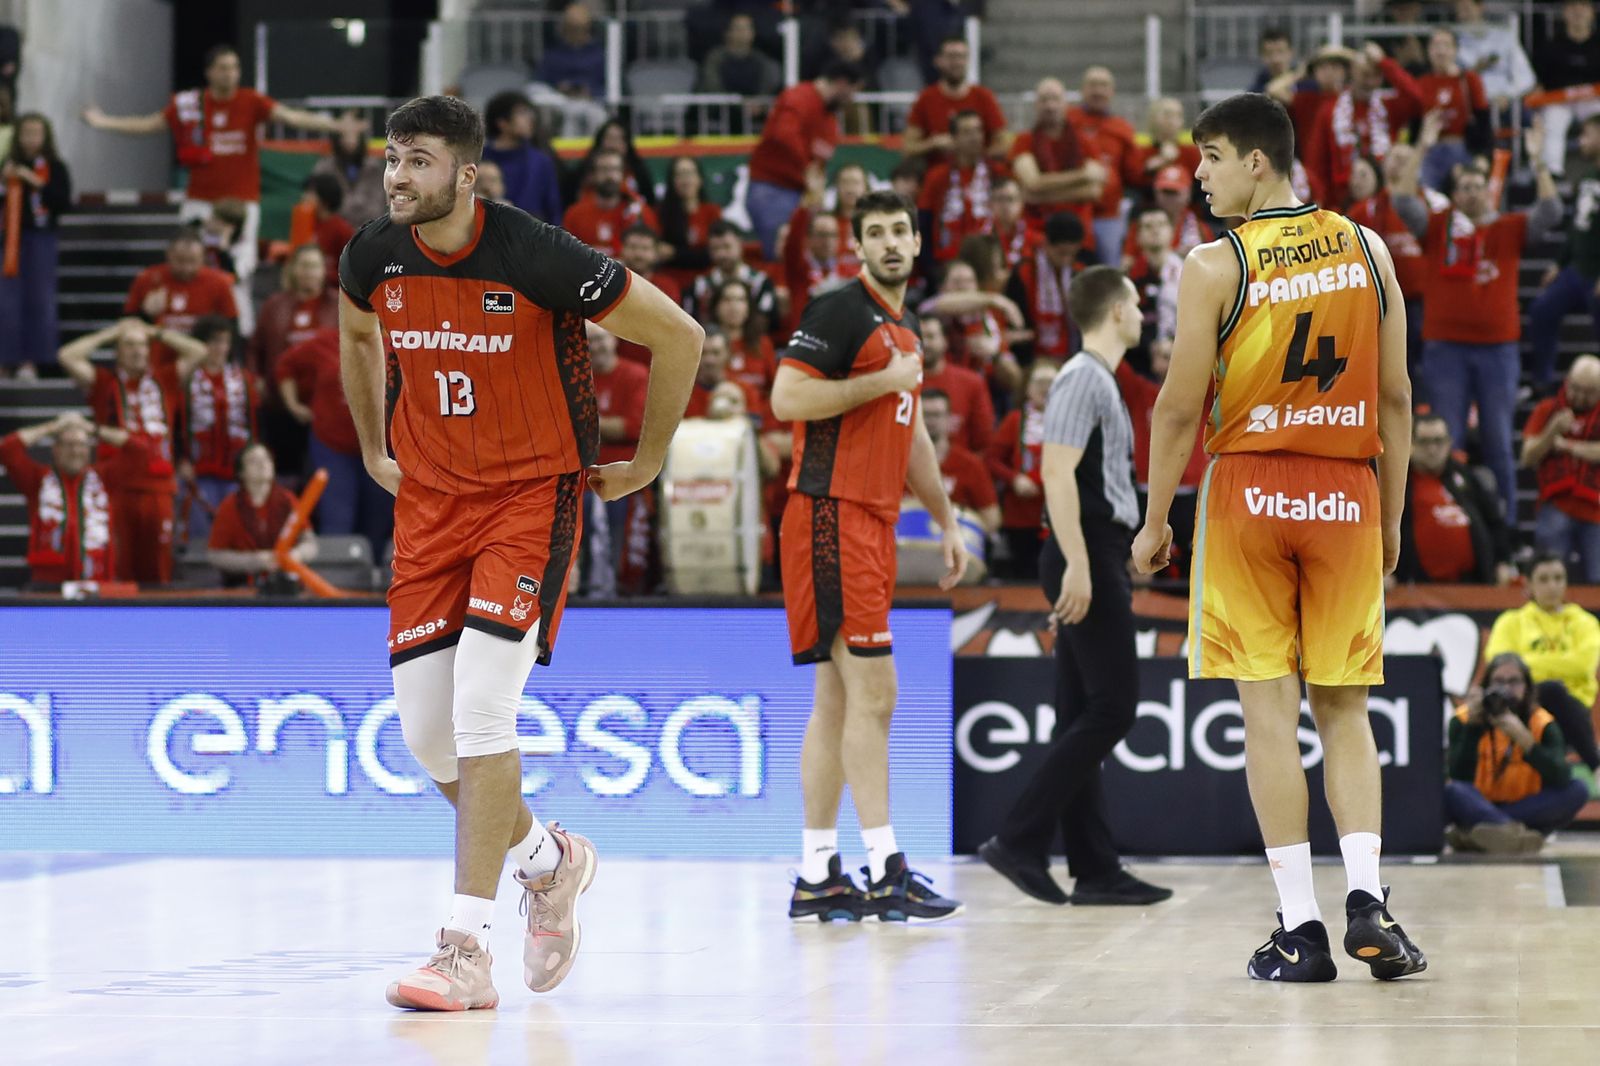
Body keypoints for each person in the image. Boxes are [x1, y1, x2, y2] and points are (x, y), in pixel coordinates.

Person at [337, 95, 702, 1010]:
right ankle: (550, 863)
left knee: (481, 710)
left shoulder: (537, 251)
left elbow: (680, 335)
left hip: (529, 497)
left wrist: (649, 457)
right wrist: (376, 447)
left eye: (418, 160)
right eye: (391, 157)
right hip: (429, 505)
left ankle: (466, 946)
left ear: (466, 175)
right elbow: (355, 333)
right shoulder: (371, 254)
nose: (396, 175)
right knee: (425, 735)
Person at [1131, 93, 1425, 982]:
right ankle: (1368, 897)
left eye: (1211, 156)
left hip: (1251, 486)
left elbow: (1180, 406)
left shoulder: (1215, 263)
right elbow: (1400, 399)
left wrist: (1153, 522)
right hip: (1346, 488)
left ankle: (1300, 928)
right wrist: (1393, 516)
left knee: (1268, 710)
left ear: (1259, 162)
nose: (1199, 174)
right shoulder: (1371, 250)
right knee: (1345, 708)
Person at [772, 189, 967, 923]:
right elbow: (788, 399)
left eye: (900, 231)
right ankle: (886, 867)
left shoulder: (905, 326)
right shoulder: (841, 310)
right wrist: (879, 382)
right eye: (876, 233)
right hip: (831, 513)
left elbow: (910, 430)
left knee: (837, 700)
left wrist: (945, 520)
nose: (890, 243)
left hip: (872, 521)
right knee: (875, 694)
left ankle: (818, 870)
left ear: (917, 244)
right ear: (858, 246)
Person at [981, 266, 1173, 906]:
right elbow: (1057, 474)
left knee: (1076, 713)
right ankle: (1017, 839)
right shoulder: (1080, 377)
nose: (1144, 313)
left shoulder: (1098, 380)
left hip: (1092, 546)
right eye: (1138, 304)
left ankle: (1094, 868)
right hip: (1083, 548)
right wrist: (1079, 563)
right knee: (1114, 708)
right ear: (1116, 311)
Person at [83, 43, 358, 320]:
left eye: (235, 68)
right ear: (209, 72)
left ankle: (237, 330)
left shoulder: (251, 101)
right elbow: (149, 124)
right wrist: (102, 122)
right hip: (200, 203)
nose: (230, 74)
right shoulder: (191, 107)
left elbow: (291, 116)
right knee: (190, 267)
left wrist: (335, 126)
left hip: (241, 207)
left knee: (238, 272)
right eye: (224, 68)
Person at [1394, 136, 1562, 521]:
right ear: (1455, 195)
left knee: (1499, 441)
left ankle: (1502, 531)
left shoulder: (1510, 227)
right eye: (1464, 188)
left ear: (1491, 191)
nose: (1471, 194)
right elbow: (1402, 201)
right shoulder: (1439, 227)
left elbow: (1551, 212)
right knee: (1446, 441)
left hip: (1497, 349)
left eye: (1477, 187)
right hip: (1446, 349)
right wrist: (1422, 148)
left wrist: (1538, 162)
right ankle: (1453, 520)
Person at [57, 318, 209, 585]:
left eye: (142, 345)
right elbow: (66, 355)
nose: (138, 350)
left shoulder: (165, 378)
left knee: (159, 565)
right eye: (129, 345)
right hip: (117, 486)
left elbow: (200, 351)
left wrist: (155, 332)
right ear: (118, 352)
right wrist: (112, 331)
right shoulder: (104, 382)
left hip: (158, 486)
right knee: (120, 564)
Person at [1445, 652, 1591, 853]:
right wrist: (1473, 727)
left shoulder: (1542, 722)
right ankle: (1514, 837)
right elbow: (1457, 775)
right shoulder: (1463, 720)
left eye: (1514, 682)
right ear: (1486, 686)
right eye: (1498, 681)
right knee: (1452, 791)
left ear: (1527, 688)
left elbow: (1561, 776)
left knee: (1578, 789)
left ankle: (1481, 834)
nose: (1505, 688)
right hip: (1477, 804)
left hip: (1523, 807)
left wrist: (1526, 741)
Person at [276, 326, 391, 555]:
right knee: (338, 518)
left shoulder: (397, 343)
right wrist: (294, 406)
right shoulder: (324, 341)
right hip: (333, 446)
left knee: (380, 519)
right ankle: (336, 578)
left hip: (383, 446)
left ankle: (377, 583)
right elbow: (285, 366)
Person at [1484, 553, 1600, 775]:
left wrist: (1527, 663)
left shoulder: (1585, 622)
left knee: (1556, 692)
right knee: (1552, 689)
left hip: (1573, 712)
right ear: (1528, 583)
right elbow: (1499, 666)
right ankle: (1596, 766)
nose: (1552, 586)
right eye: (1544, 579)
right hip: (1521, 708)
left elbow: (1583, 665)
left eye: (1558, 578)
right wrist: (1561, 666)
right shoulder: (1511, 621)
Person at [745, 61, 864, 258]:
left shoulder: (830, 120)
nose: (851, 99)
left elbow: (821, 162)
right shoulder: (800, 97)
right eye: (852, 92)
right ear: (842, 83)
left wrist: (816, 191)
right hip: (772, 190)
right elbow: (784, 133)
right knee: (784, 258)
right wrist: (807, 167)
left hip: (800, 196)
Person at [249, 244, 339, 483]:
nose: (309, 272)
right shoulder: (274, 305)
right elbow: (256, 347)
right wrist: (255, 379)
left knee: (323, 475)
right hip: (280, 404)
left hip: (327, 407)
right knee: (285, 471)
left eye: (314, 266)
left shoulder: (339, 304)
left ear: (324, 271)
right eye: (304, 265)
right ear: (293, 270)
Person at [0, 412, 122, 586]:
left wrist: (92, 429)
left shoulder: (105, 478)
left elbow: (140, 452)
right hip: (48, 583)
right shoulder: (37, 478)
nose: (75, 451)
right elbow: (7, 449)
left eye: (81, 444)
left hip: (97, 579)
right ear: (55, 449)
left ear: (89, 450)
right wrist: (52, 427)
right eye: (68, 444)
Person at [1397, 413, 1517, 586]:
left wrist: (1502, 561)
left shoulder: (1466, 476)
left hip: (1471, 585)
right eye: (1424, 442)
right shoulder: (1399, 482)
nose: (1432, 449)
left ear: (1449, 444)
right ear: (1411, 444)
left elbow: (1494, 521)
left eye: (1438, 441)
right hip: (1415, 588)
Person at [1303, 43, 1425, 209]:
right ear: (1352, 72)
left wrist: (1385, 63)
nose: (1371, 81)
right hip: (1342, 202)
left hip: (1385, 197)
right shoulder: (1331, 110)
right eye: (1365, 74)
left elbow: (1418, 99)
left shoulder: (1388, 105)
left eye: (1377, 75)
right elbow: (1316, 160)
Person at [1528, 115, 1600, 391]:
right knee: (1541, 310)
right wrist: (1559, 263)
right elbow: (1576, 227)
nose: (1581, 140)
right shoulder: (1587, 176)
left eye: (1588, 134)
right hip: (1577, 270)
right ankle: (1542, 382)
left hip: (1596, 272)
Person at [0, 112, 69, 381]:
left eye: (36, 133)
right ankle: (5, 360)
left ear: (45, 137)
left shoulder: (54, 167)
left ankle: (32, 361)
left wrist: (35, 182)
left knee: (39, 300)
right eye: (26, 132)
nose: (30, 138)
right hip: (8, 240)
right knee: (6, 302)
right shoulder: (7, 165)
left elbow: (62, 202)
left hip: (41, 239)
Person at [181, 316, 258, 546]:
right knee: (201, 534)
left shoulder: (242, 379)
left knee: (238, 532)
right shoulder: (186, 379)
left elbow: (253, 422)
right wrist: (181, 459)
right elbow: (175, 422)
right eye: (213, 341)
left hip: (236, 470)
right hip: (198, 469)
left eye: (224, 341)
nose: (219, 348)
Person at [123, 229, 239, 382]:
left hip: (203, 368)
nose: (186, 268)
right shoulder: (148, 279)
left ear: (203, 257)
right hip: (159, 367)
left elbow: (231, 327)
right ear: (168, 255)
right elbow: (126, 326)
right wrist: (145, 314)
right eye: (180, 260)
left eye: (192, 261)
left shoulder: (219, 283)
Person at [1522, 355, 1600, 580]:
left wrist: (1566, 445)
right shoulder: (1548, 410)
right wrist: (1552, 431)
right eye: (1575, 388)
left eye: (1589, 391)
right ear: (1566, 381)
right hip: (1556, 506)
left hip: (1596, 510)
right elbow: (1527, 456)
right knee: (1549, 575)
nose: (1579, 396)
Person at [207, 441, 316, 588]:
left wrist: (296, 555)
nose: (262, 464)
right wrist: (254, 561)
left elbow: (310, 543)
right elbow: (215, 554)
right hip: (243, 586)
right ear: (241, 472)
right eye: (253, 461)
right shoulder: (230, 506)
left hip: (287, 583)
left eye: (266, 459)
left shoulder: (287, 500)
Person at [1008, 79, 1103, 244]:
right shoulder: (1023, 141)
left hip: (1079, 232)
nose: (1050, 106)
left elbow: (1094, 191)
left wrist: (1041, 193)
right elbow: (1032, 184)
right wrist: (1082, 177)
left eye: (1055, 99)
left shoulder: (1084, 142)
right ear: (1036, 105)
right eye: (1044, 100)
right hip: (1037, 232)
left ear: (1066, 104)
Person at [988, 361, 1055, 580]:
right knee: (1024, 576)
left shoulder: (1071, 422)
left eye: (1051, 382)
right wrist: (1014, 479)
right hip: (1021, 516)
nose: (1045, 388)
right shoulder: (1015, 421)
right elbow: (992, 459)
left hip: (1058, 515)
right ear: (1027, 388)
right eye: (1039, 382)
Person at [1069, 67, 1141, 264]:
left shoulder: (1122, 128)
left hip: (1108, 216)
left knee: (1110, 274)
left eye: (1103, 85)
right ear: (1082, 90)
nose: (1098, 91)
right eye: (1093, 85)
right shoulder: (1068, 122)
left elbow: (1134, 173)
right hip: (1072, 211)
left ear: (1112, 91)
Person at [919, 110, 1007, 264]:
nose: (975, 137)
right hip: (947, 262)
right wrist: (931, 268)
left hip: (989, 260)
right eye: (967, 132)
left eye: (978, 130)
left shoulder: (997, 172)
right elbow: (924, 223)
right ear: (953, 138)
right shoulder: (937, 176)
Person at [903, 35, 1008, 165]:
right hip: (937, 175)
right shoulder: (926, 98)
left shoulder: (984, 97)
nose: (956, 62)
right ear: (938, 60)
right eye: (951, 56)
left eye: (961, 57)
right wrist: (933, 143)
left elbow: (1004, 144)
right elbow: (908, 148)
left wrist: (972, 152)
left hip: (980, 175)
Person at [1005, 211, 1085, 365]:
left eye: (1072, 254)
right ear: (1046, 244)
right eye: (1061, 253)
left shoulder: (1080, 271)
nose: (1066, 260)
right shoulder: (1024, 272)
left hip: (1071, 353)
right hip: (1031, 356)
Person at [1415, 30, 1491, 193]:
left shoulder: (1469, 80)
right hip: (1430, 150)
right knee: (1429, 198)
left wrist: (1483, 154)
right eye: (1436, 45)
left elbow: (1484, 119)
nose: (1441, 51)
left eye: (1446, 45)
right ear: (1428, 51)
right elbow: (1414, 121)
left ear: (1455, 50)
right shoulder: (1421, 83)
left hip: (1462, 148)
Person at [1533, 0, 1600, 178]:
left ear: (1592, 12)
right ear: (1564, 13)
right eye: (1573, 6)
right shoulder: (1551, 45)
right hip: (1559, 101)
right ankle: (1553, 173)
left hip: (1593, 100)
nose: (1578, 11)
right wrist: (1538, 90)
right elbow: (1539, 81)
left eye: (1583, 6)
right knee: (1552, 121)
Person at [921, 388, 998, 532]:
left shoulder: (971, 465)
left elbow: (992, 519)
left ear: (950, 419)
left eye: (936, 415)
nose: (930, 421)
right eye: (924, 415)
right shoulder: (898, 462)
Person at [480, 91, 562, 224]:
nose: (530, 118)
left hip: (531, 238)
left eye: (529, 112)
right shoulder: (478, 159)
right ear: (502, 123)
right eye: (522, 113)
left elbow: (553, 211)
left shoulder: (541, 161)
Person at [561, 148, 658, 257]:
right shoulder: (574, 214)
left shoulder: (640, 212)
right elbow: (567, 255)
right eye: (604, 169)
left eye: (615, 169)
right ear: (593, 175)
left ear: (623, 174)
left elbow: (652, 255)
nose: (610, 176)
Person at [920, 314, 994, 455]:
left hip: (958, 469)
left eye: (931, 336)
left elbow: (984, 440)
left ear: (945, 341)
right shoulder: (898, 382)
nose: (925, 343)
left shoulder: (971, 382)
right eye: (919, 336)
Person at [1452, 0, 1536, 117]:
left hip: (1507, 102)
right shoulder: (1454, 45)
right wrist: (1474, 70)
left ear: (1480, 7)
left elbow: (1527, 77)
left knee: (1529, 119)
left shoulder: (1504, 36)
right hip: (1473, 104)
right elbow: (1453, 83)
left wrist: (1507, 95)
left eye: (1466, 8)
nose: (1463, 14)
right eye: (1459, 9)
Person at [311, 111, 387, 226]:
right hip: (335, 229)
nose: (350, 139)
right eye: (345, 132)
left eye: (353, 132)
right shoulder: (324, 168)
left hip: (369, 229)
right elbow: (319, 207)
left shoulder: (374, 167)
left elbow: (378, 205)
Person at [657, 156, 723, 281]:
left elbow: (714, 253)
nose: (686, 180)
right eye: (680, 174)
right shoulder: (661, 213)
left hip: (707, 279)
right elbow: (659, 252)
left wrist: (675, 253)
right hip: (671, 279)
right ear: (672, 181)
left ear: (700, 179)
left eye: (690, 173)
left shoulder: (712, 212)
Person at [536, 1, 607, 111]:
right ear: (564, 28)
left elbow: (610, 86)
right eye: (572, 29)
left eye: (580, 29)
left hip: (591, 104)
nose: (576, 33)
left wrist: (591, 92)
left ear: (588, 28)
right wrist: (558, 88)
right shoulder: (552, 55)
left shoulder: (599, 55)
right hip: (559, 105)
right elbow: (539, 83)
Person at [697, 12, 783, 99]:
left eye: (747, 28)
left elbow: (767, 86)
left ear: (753, 33)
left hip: (755, 110)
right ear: (728, 32)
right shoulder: (715, 57)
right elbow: (712, 86)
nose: (742, 32)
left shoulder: (761, 60)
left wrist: (757, 101)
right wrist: (737, 103)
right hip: (721, 110)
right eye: (738, 28)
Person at [301, 173, 357, 290]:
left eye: (310, 193)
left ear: (324, 199)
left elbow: (350, 272)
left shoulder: (342, 230)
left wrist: (322, 275)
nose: (304, 197)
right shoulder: (304, 223)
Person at [1249, 28, 1296, 94]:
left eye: (1281, 52)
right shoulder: (1255, 92)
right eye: (1269, 53)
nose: (1275, 59)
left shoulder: (1307, 85)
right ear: (1262, 56)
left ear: (1291, 52)